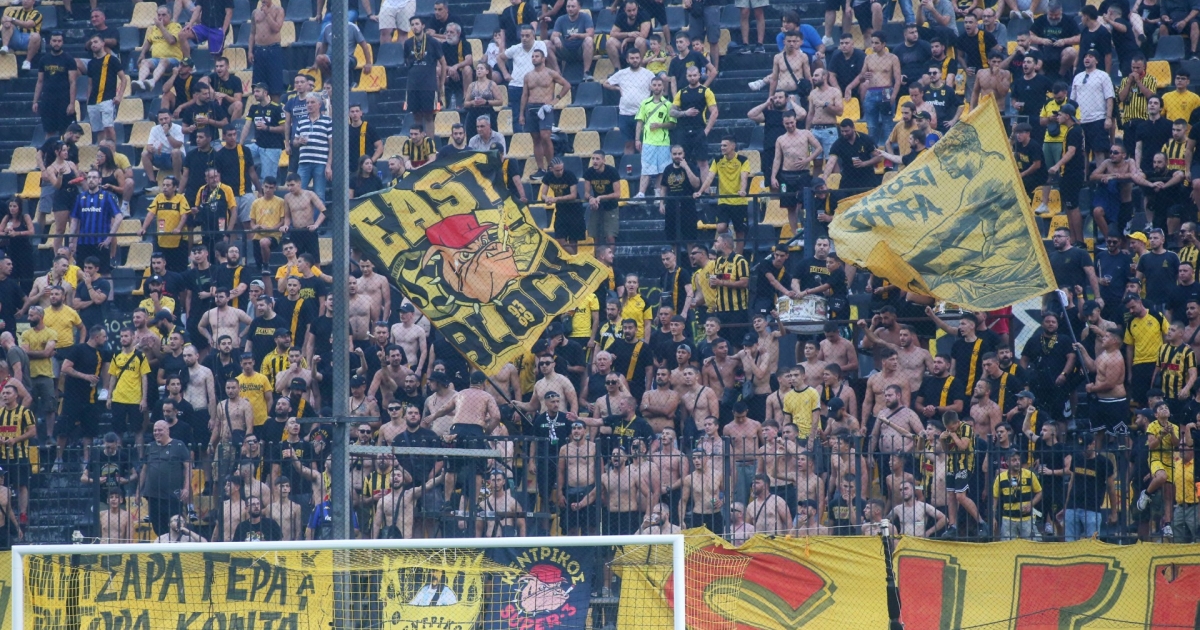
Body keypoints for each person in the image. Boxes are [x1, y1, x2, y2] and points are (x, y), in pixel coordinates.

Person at [32, 31, 78, 139]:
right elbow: (40, 81)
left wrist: (72, 103)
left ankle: (66, 150)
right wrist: (35, 101)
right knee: (49, 131)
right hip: (47, 100)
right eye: (54, 41)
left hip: (63, 100)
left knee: (65, 132)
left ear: (62, 42)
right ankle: (49, 149)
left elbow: (73, 82)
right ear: (50, 42)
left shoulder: (69, 59)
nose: (57, 43)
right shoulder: (44, 60)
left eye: (59, 41)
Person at [403, 16, 443, 131]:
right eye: (412, 25)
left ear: (423, 25)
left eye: (417, 24)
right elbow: (407, 60)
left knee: (429, 116)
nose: (415, 27)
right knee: (416, 116)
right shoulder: (408, 43)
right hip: (413, 85)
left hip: (428, 85)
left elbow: (443, 63)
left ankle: (429, 141)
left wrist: (441, 83)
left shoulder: (433, 42)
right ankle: (419, 140)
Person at [292, 94, 333, 202]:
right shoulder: (301, 121)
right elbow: (294, 142)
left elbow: (332, 145)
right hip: (304, 162)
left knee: (319, 195)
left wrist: (328, 165)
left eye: (312, 102)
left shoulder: (327, 121)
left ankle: (319, 214)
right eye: (307, 103)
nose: (309, 105)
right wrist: (299, 141)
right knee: (298, 192)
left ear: (319, 104)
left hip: (320, 163)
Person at [0, 0, 41, 71]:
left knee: (36, 36)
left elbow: (28, 24)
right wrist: (6, 22)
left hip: (28, 39)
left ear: (33, 2)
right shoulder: (14, 12)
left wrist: (12, 19)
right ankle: (5, 47)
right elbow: (4, 18)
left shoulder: (37, 14)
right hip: (15, 37)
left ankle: (27, 61)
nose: (25, 1)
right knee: (7, 25)